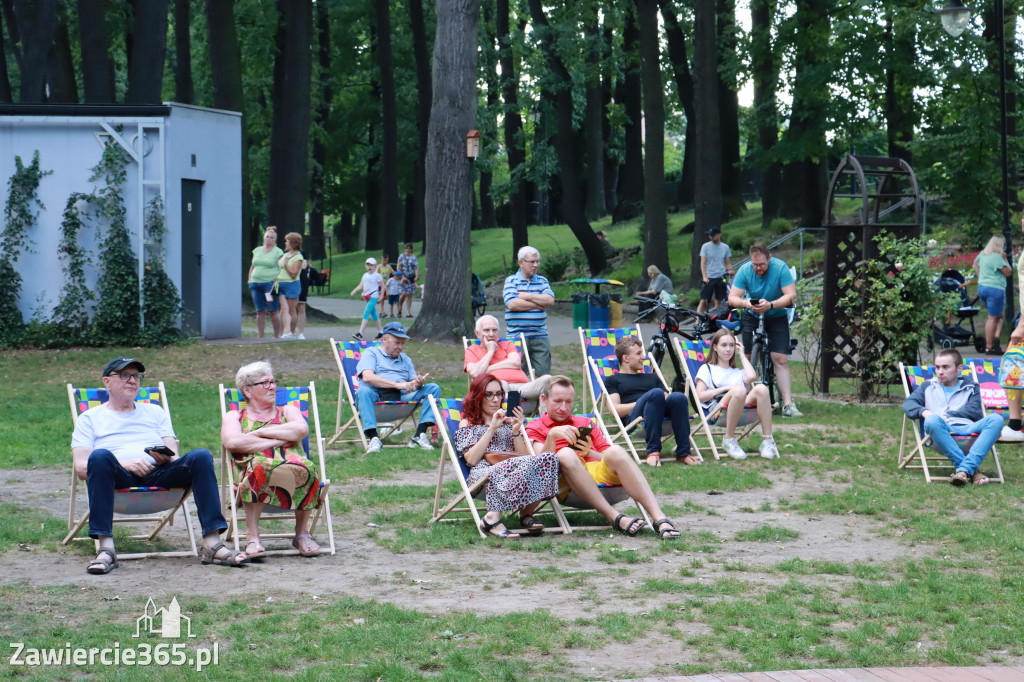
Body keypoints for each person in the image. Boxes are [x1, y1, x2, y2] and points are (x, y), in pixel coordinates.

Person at [72, 357, 247, 574]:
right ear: (107, 382)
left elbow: (174, 455)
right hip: (117, 478)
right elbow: (81, 468)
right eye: (124, 375)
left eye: (136, 376)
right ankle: (106, 548)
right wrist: (125, 464)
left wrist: (166, 458)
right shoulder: (89, 418)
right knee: (98, 457)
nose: (132, 381)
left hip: (158, 474)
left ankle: (212, 544)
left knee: (201, 456)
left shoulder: (155, 411)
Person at [526, 376, 681, 540]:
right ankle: (613, 516)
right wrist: (551, 437)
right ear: (544, 399)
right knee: (565, 453)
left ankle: (659, 519)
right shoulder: (535, 427)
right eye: (557, 401)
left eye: (568, 402)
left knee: (616, 450)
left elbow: (608, 456)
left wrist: (589, 453)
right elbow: (540, 467)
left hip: (597, 474)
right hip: (565, 483)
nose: (563, 408)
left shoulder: (585, 422)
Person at [220, 362, 321, 558]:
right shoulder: (234, 416)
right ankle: (252, 537)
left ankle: (301, 534)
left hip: (292, 469)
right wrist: (280, 439)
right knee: (260, 466)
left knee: (308, 467)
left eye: (273, 382)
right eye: (265, 383)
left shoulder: (287, 411)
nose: (273, 387)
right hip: (252, 470)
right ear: (247, 390)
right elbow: (233, 442)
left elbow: (300, 430)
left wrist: (261, 433)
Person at [455, 374, 561, 539]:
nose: (495, 399)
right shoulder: (468, 423)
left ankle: (526, 514)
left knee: (549, 458)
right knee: (525, 463)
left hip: (514, 473)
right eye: (489, 394)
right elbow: (471, 460)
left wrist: (516, 431)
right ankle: (492, 518)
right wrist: (492, 428)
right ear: (478, 396)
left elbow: (528, 460)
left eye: (499, 394)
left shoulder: (509, 422)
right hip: (483, 477)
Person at [902, 348, 1001, 486]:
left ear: (959, 368)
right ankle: (971, 471)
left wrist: (948, 415)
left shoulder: (971, 387)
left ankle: (963, 471)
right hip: (940, 432)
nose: (940, 372)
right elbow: (908, 404)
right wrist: (926, 412)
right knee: (931, 420)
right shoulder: (928, 386)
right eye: (937, 367)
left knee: (996, 419)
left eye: (945, 367)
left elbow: (974, 411)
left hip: (968, 430)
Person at [728, 242, 802, 418]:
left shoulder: (780, 268)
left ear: (769, 258)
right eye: (755, 265)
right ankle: (743, 401)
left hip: (776, 315)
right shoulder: (745, 270)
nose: (758, 268)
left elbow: (791, 296)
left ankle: (788, 404)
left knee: (780, 358)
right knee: (746, 357)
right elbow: (732, 298)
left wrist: (771, 305)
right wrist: (745, 303)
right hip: (751, 314)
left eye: (762, 264)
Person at [605, 336, 694, 467]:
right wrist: (645, 401)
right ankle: (653, 451)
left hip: (659, 415)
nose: (644, 357)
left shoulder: (652, 377)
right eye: (638, 353)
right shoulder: (613, 380)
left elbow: (667, 398)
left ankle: (684, 453)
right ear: (625, 358)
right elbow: (615, 410)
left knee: (678, 397)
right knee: (655, 393)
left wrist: (651, 400)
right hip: (635, 421)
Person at [355, 321, 441, 453]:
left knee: (433, 388)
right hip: (376, 399)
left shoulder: (405, 359)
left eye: (403, 343)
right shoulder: (371, 353)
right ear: (384, 339)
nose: (400, 347)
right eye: (397, 342)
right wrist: (396, 385)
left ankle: (419, 434)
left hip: (401, 400)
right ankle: (373, 438)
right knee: (363, 390)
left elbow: (411, 385)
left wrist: (418, 383)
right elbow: (367, 377)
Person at [694, 329, 776, 460]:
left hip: (738, 405)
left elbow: (752, 377)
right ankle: (729, 439)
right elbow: (699, 396)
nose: (728, 349)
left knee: (761, 389)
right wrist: (728, 388)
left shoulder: (737, 372)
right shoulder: (707, 369)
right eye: (724, 345)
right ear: (715, 347)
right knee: (739, 390)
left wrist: (742, 355)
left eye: (731, 345)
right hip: (717, 410)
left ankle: (767, 441)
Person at [464, 315, 552, 400]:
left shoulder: (507, 344)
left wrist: (488, 369)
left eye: (494, 330)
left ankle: (546, 415)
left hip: (523, 387)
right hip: (498, 388)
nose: (491, 334)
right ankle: (508, 414)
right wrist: (490, 351)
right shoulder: (472, 350)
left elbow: (516, 363)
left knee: (547, 379)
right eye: (486, 330)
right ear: (477, 333)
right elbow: (475, 373)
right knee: (499, 384)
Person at [503, 246, 555, 377]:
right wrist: (539, 303)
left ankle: (538, 398)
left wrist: (528, 296)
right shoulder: (511, 281)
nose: (535, 265)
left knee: (543, 376)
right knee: (517, 375)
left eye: (537, 261)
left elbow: (550, 300)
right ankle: (518, 398)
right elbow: (512, 304)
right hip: (517, 336)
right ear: (521, 262)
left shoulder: (542, 281)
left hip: (540, 336)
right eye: (531, 262)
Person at [973, 235, 1012, 355]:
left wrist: (981, 278)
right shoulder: (997, 257)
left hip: (983, 288)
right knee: (993, 318)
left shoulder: (983, 254)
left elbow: (975, 264)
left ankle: (996, 340)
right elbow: (1008, 272)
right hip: (995, 289)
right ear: (1000, 245)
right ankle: (989, 347)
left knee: (998, 315)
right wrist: (1005, 259)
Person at [248, 226, 284, 339]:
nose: (269, 239)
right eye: (267, 237)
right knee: (260, 310)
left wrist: (276, 281)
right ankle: (260, 335)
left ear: (275, 240)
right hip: (255, 283)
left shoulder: (278, 252)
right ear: (264, 238)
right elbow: (252, 266)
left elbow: (281, 268)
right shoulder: (257, 250)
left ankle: (277, 335)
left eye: (272, 238)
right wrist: (250, 279)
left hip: (270, 284)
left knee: (273, 309)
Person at [276, 232, 306, 339]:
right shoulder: (285, 255)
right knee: (283, 310)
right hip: (280, 285)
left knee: (291, 310)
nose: (285, 243)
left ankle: (291, 332)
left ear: (293, 243)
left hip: (291, 285)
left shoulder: (298, 257)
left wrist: (285, 265)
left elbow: (294, 274)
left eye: (287, 241)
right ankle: (282, 332)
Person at [698, 226, 734, 314]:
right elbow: (703, 262)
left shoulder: (725, 247)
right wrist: (704, 277)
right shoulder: (705, 247)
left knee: (719, 300)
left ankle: (715, 319)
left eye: (713, 235)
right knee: (704, 300)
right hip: (709, 277)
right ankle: (698, 320)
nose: (711, 237)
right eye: (710, 235)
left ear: (719, 235)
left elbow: (727, 262)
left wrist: (730, 270)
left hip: (720, 276)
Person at [350, 257, 385, 341]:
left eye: (371, 265)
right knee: (374, 315)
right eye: (368, 265)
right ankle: (381, 332)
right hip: (366, 297)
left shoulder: (377, 275)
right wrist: (355, 290)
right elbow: (361, 285)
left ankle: (360, 333)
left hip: (374, 296)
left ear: (375, 266)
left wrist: (382, 296)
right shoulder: (365, 275)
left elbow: (383, 286)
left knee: (366, 312)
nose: (369, 267)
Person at [397, 243, 419, 318]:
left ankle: (408, 312)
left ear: (412, 249)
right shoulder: (401, 256)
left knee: (409, 295)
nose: (408, 250)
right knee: (403, 294)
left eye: (409, 249)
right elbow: (398, 267)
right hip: (403, 277)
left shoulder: (414, 258)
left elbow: (416, 268)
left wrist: (416, 276)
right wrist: (402, 277)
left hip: (411, 278)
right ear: (404, 249)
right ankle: (399, 306)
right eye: (406, 248)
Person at [377, 252, 395, 318]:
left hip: (386, 285)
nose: (385, 261)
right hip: (380, 285)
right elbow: (376, 274)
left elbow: (393, 273)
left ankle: (381, 311)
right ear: (381, 259)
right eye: (384, 260)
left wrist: (397, 275)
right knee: (381, 298)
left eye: (386, 260)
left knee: (383, 298)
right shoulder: (379, 267)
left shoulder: (389, 267)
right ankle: (382, 311)